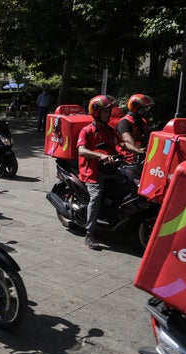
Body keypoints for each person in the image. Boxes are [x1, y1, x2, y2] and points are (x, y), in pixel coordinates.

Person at [77, 94, 125, 251]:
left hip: (110, 169)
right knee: (96, 196)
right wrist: (101, 155)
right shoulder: (87, 131)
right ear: (96, 111)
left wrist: (132, 151)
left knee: (128, 185)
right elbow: (82, 151)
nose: (108, 114)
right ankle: (89, 234)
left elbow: (119, 145)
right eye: (105, 111)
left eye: (108, 111)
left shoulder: (110, 130)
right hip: (92, 171)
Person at [115, 94, 153, 163]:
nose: (145, 111)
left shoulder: (142, 121)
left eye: (146, 108)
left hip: (140, 157)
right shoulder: (124, 122)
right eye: (143, 109)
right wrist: (139, 150)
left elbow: (149, 138)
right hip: (126, 160)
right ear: (135, 108)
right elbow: (128, 141)